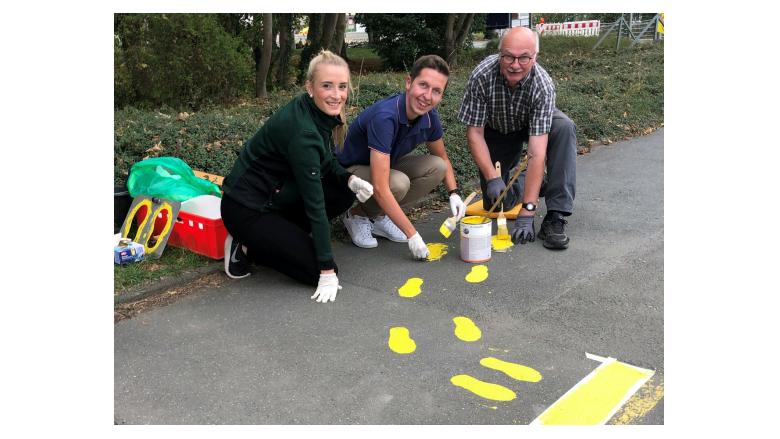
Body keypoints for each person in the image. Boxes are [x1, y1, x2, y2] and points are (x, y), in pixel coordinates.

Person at [220, 50, 375, 303]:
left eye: (342, 86)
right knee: (318, 270)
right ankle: (247, 244)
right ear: (310, 87)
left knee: (342, 192)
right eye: (327, 86)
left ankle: (280, 238)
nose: (337, 95)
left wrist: (349, 179)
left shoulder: (315, 111)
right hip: (246, 209)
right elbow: (314, 203)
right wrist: (326, 268)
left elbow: (325, 161)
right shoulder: (303, 132)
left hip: (275, 197)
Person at [336, 54, 465, 260]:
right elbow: (380, 186)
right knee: (397, 183)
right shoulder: (385, 117)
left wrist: (454, 194)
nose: (427, 96)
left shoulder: (429, 116)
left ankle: (379, 216)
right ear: (408, 82)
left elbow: (443, 158)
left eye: (436, 91)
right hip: (349, 171)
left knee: (437, 167)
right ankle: (356, 215)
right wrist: (412, 235)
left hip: (384, 165)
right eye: (423, 85)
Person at [458, 26, 577, 249]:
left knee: (563, 127)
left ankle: (556, 216)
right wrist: (492, 177)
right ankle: (534, 182)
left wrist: (528, 210)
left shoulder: (543, 85)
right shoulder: (481, 76)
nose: (515, 65)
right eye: (509, 57)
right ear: (499, 53)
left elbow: (537, 151)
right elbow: (474, 133)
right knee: (496, 200)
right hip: (497, 129)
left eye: (524, 58)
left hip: (533, 126)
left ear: (534, 57)